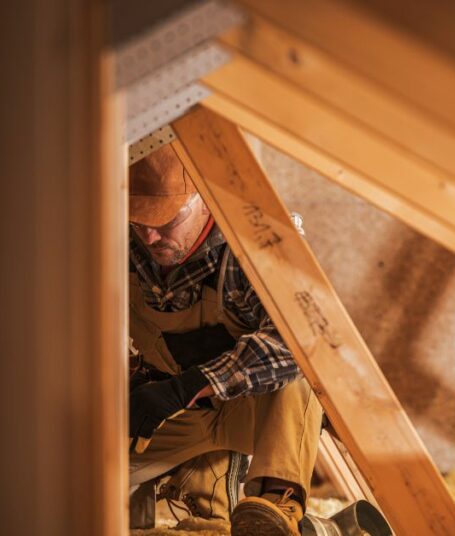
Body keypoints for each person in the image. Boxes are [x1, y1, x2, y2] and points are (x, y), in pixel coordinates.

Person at [127, 143, 321, 536]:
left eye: (165, 222)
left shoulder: (256, 238)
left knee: (301, 364)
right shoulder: (121, 244)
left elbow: (298, 338)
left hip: (252, 412)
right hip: (170, 413)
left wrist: (189, 386)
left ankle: (272, 504)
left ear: (204, 199)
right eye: (138, 222)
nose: (149, 237)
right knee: (67, 470)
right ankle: (209, 480)